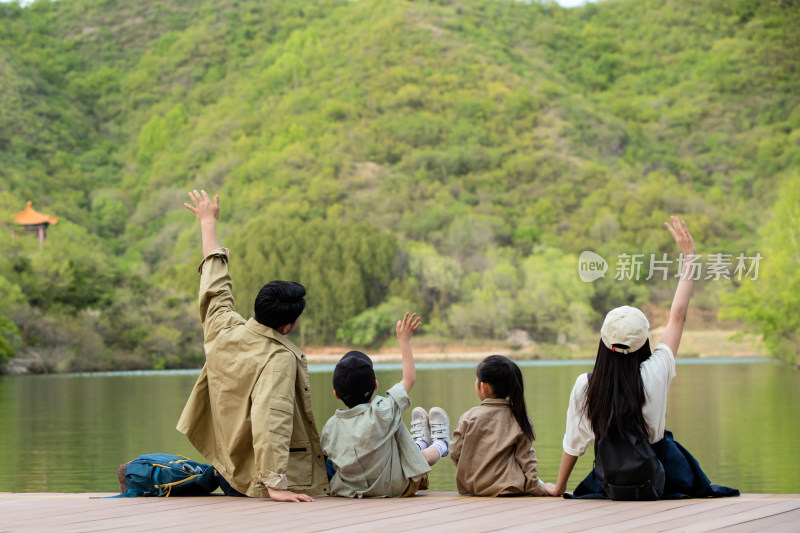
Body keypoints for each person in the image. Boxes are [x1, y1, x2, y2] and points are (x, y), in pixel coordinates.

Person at [552, 216, 739, 499]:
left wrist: (558, 488)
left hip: (613, 479)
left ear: (603, 342)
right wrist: (689, 258)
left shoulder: (586, 385)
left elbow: (573, 445)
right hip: (661, 475)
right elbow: (678, 315)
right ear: (643, 342)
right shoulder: (656, 371)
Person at [177, 190, 329, 502]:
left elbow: (215, 287)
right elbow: (271, 419)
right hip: (256, 481)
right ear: (287, 326)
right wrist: (274, 485)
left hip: (228, 470)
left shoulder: (224, 328)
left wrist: (208, 223)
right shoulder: (278, 358)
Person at [320, 312, 450, 498]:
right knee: (396, 426)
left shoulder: (329, 428)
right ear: (375, 385)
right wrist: (404, 341)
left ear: (336, 395)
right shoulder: (382, 410)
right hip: (397, 486)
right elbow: (409, 379)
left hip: (351, 491)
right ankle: (441, 444)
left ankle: (420, 441)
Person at [449, 355, 555, 497]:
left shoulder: (469, 417)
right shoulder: (519, 418)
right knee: (536, 480)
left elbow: (455, 453)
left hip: (473, 487)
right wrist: (538, 488)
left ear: (483, 386)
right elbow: (526, 459)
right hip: (509, 488)